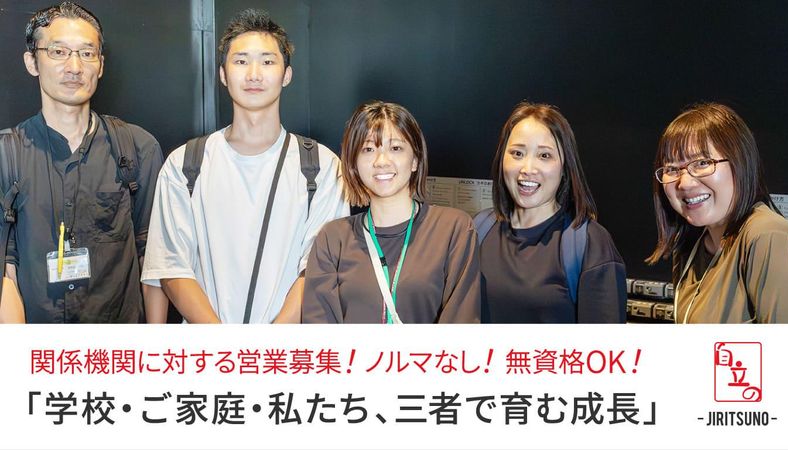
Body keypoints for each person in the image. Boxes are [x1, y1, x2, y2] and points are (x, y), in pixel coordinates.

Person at [141, 9, 349, 324]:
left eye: (267, 62)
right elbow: (172, 268)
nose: (253, 74)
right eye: (240, 61)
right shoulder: (185, 164)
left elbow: (318, 268)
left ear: (286, 75)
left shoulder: (322, 167)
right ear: (223, 74)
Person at [0, 2, 164, 323]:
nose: (74, 67)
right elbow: (7, 270)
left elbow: (155, 259)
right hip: (39, 346)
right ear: (32, 62)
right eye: (58, 52)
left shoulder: (137, 148)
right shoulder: (8, 153)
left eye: (87, 53)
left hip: (120, 346)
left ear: (100, 65)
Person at [302, 101, 480, 323]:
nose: (381, 161)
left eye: (395, 148)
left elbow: (461, 323)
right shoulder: (333, 238)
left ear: (415, 160)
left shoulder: (453, 229)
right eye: (368, 149)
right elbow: (319, 329)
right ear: (354, 164)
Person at [647, 102, 788, 323]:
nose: (685, 183)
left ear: (739, 163)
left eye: (702, 163)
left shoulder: (768, 236)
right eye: (672, 169)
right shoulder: (690, 245)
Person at [479, 102, 626, 323]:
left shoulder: (590, 243)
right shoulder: (479, 229)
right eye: (517, 153)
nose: (528, 169)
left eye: (544, 156)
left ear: (564, 167)